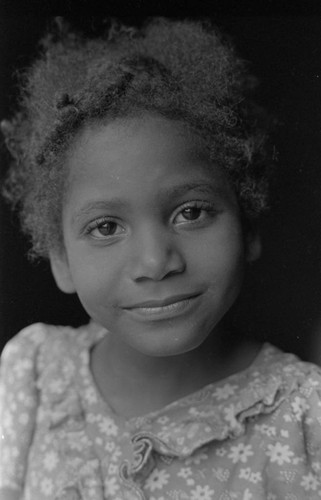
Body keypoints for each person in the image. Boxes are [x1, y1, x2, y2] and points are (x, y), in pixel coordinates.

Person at [0, 17, 320, 500]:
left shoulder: (305, 418)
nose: (155, 261)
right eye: (106, 227)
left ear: (248, 224)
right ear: (61, 259)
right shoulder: (31, 377)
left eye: (191, 212)